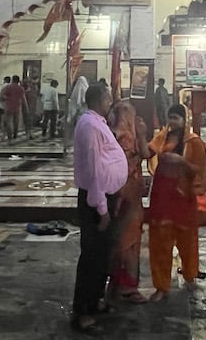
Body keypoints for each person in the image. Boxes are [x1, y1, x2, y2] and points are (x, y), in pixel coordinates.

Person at [71, 83, 128, 333]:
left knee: (102, 255)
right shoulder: (91, 126)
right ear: (100, 98)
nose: (111, 101)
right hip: (96, 200)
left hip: (105, 197)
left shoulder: (97, 122)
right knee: (91, 258)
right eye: (108, 97)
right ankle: (82, 312)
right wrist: (102, 209)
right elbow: (94, 171)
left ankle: (94, 302)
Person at [146, 103, 206, 301]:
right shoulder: (162, 136)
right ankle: (161, 286)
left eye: (176, 118)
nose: (173, 121)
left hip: (183, 197)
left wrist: (181, 163)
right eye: (170, 117)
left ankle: (190, 276)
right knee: (159, 241)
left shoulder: (194, 142)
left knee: (187, 240)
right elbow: (148, 152)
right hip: (162, 196)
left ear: (185, 120)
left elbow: (199, 170)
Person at [107, 99, 151, 303]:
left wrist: (142, 134)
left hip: (130, 193)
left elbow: (145, 153)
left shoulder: (128, 134)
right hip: (123, 192)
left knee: (128, 238)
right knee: (125, 239)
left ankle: (120, 283)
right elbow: (137, 156)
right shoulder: (118, 137)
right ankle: (125, 285)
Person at [2, 74, 27, 143]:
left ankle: (9, 137)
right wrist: (26, 107)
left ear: (12, 80)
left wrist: (7, 99)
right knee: (16, 121)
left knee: (8, 122)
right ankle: (15, 134)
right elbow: (23, 98)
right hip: (17, 106)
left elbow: (4, 95)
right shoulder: (21, 88)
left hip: (9, 106)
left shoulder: (8, 87)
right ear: (18, 81)